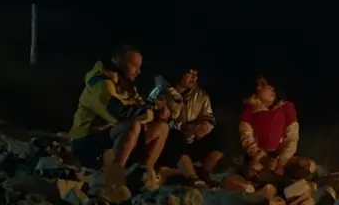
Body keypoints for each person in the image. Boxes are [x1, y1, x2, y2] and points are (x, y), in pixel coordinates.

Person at [68, 45, 170, 181]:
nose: (138, 71)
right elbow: (118, 113)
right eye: (134, 65)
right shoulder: (99, 83)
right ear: (118, 62)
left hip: (111, 139)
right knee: (132, 125)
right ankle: (114, 176)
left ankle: (144, 173)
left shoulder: (126, 85)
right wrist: (149, 111)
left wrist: (157, 112)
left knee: (162, 127)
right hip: (86, 142)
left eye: (139, 67)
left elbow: (140, 109)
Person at [238, 75, 316, 179]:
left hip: (282, 159)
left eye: (264, 84)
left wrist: (281, 161)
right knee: (252, 170)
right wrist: (263, 158)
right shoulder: (249, 111)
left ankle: (280, 177)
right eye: (259, 84)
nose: (258, 87)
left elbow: (292, 138)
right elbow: (246, 138)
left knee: (308, 165)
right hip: (261, 159)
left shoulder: (286, 108)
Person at [160, 67, 224, 181]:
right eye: (190, 73)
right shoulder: (163, 91)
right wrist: (184, 128)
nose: (194, 77)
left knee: (219, 139)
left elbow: (208, 116)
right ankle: (192, 177)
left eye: (196, 74)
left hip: (191, 140)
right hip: (169, 142)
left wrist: (204, 126)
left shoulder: (201, 96)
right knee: (177, 138)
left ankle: (204, 172)